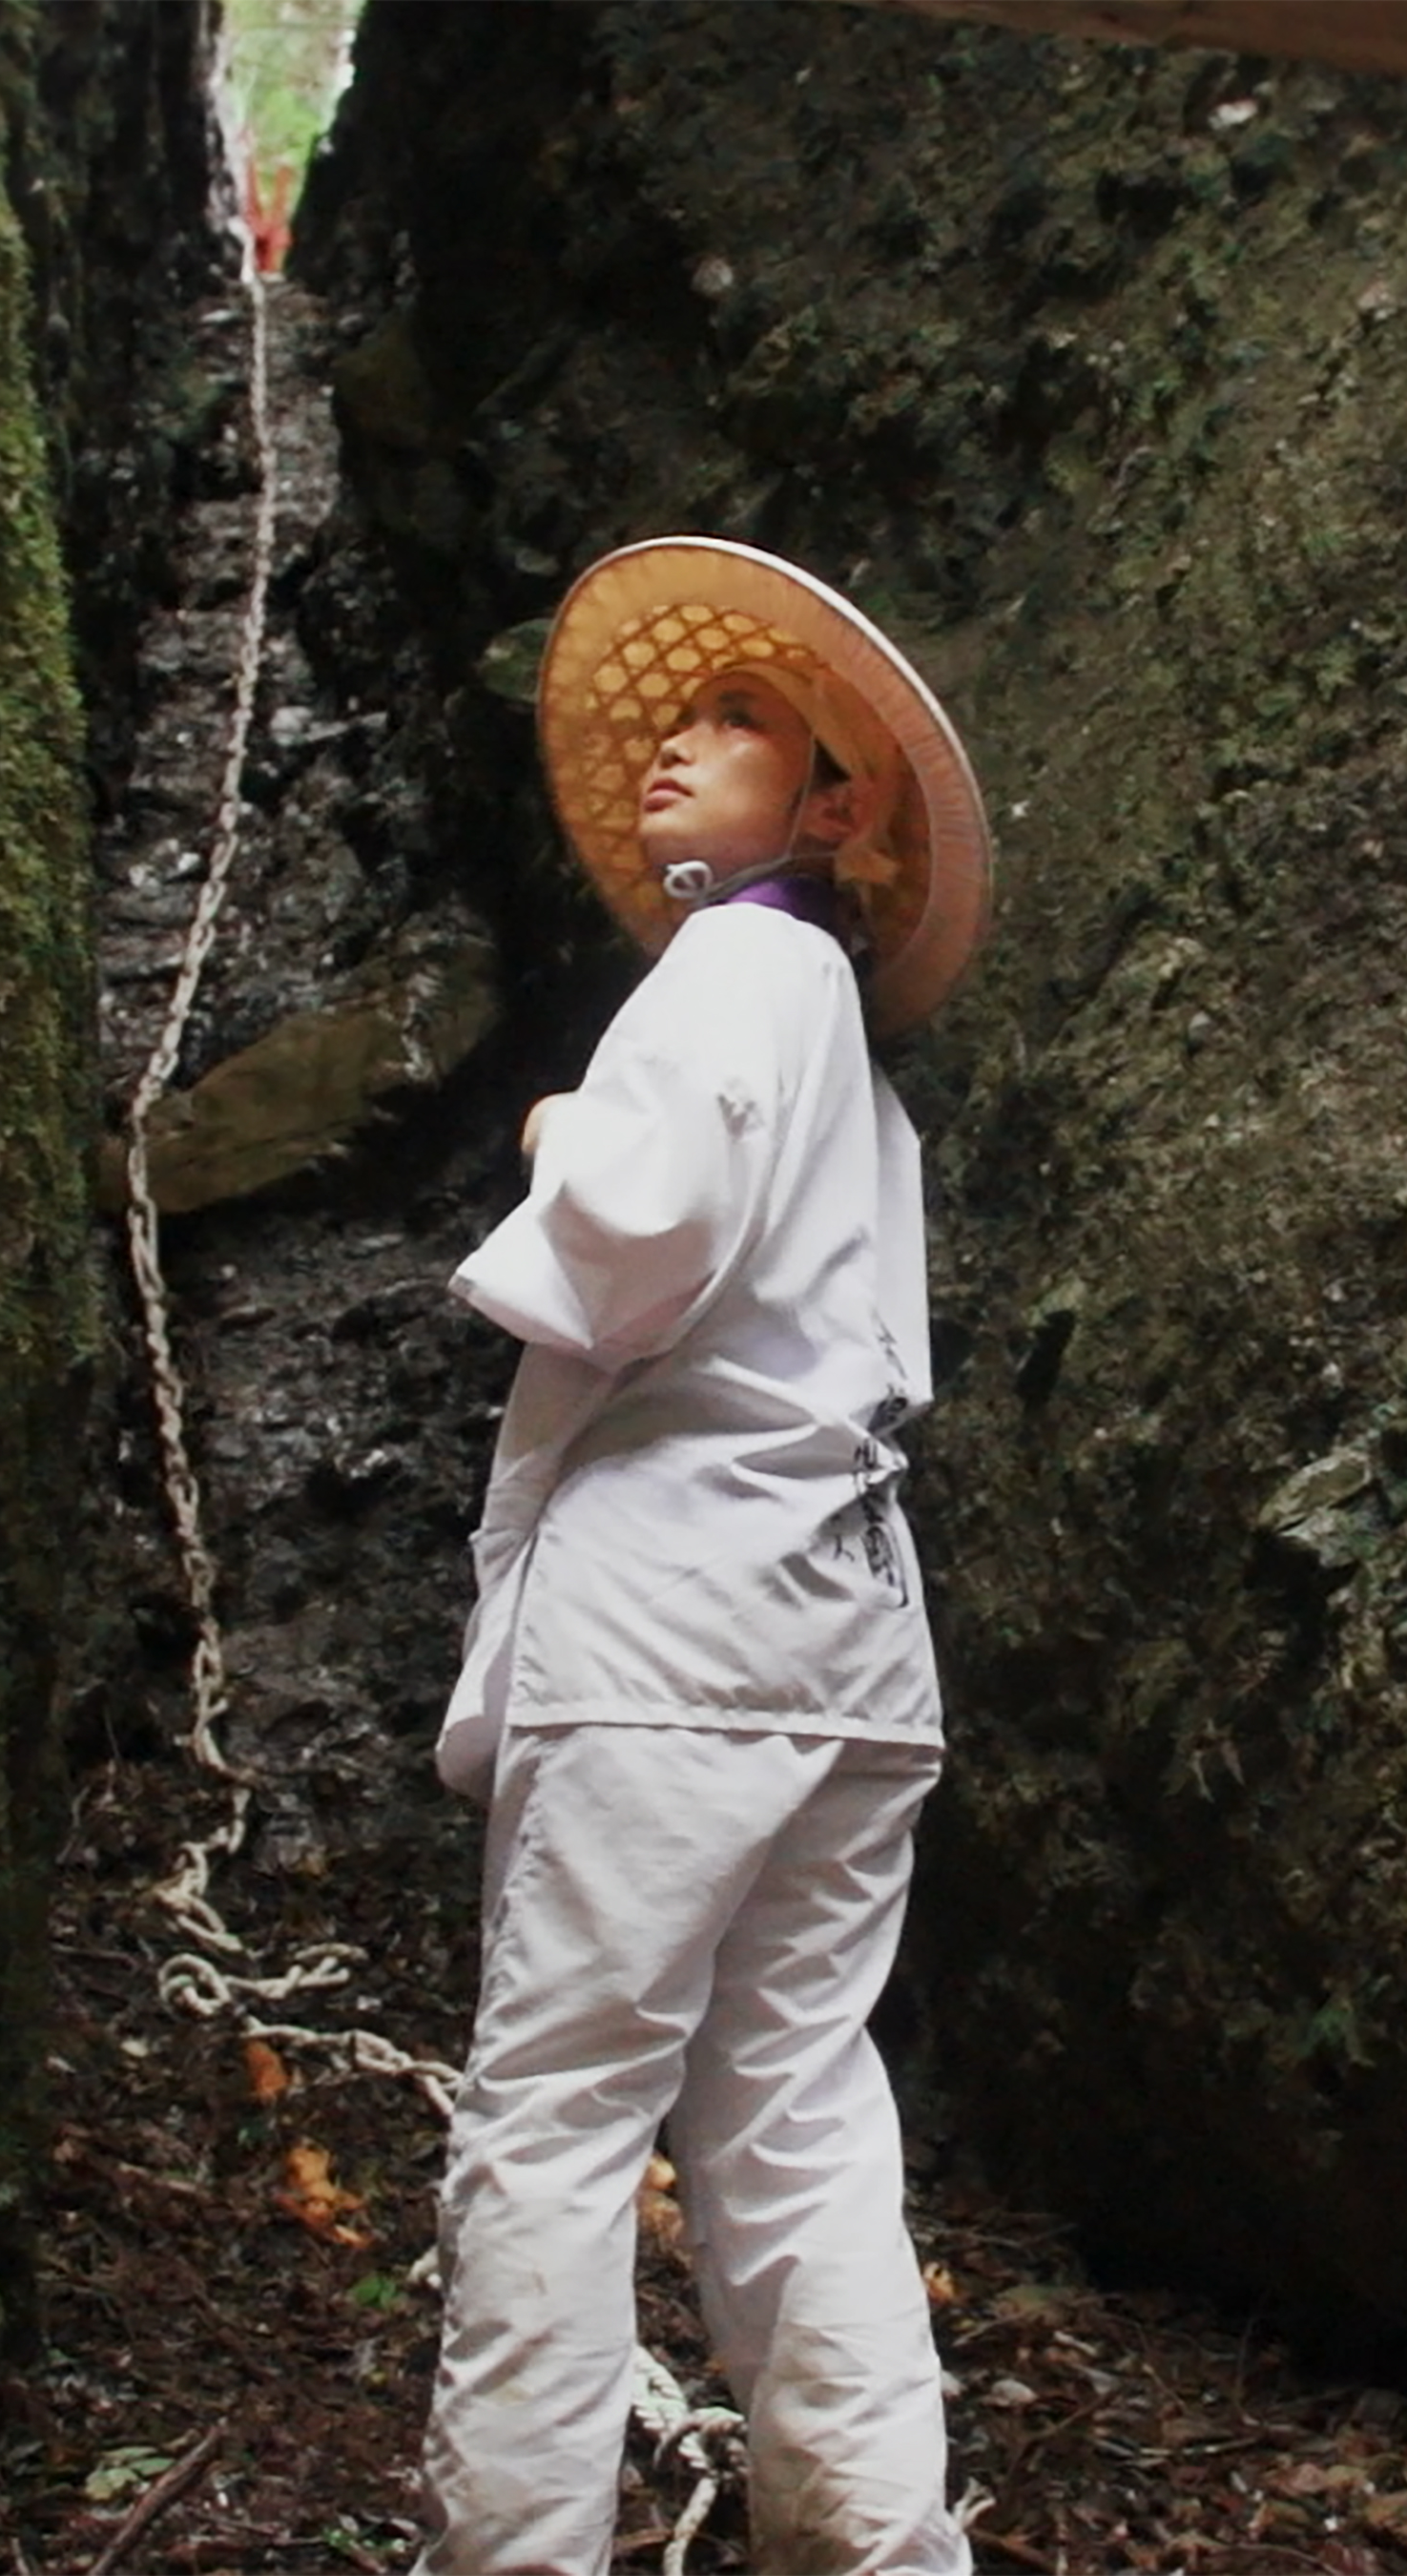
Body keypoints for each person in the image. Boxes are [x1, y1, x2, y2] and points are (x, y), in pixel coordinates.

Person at [419, 538, 994, 2575]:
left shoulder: (736, 969)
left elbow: (638, 1241)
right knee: (795, 2109)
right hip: (847, 1634)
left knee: (561, 2122)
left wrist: (568, 1134)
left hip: (674, 1621)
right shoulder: (845, 1038)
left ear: (835, 806)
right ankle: (876, 2552)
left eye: (737, 721)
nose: (679, 742)